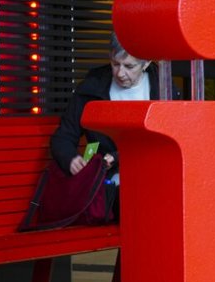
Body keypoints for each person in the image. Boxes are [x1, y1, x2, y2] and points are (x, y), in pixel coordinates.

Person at [49, 36, 160, 213]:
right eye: (115, 64)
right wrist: (71, 159)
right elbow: (63, 137)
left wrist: (118, 157)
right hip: (107, 190)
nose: (120, 73)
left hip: (152, 179)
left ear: (146, 64)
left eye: (129, 66)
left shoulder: (162, 88)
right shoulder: (91, 88)